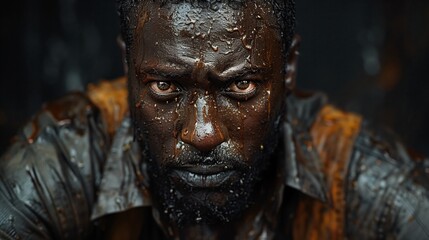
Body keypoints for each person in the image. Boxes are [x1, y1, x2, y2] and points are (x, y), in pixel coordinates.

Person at [0, 0, 428, 239]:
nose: (202, 133)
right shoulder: (62, 162)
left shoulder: (372, 186)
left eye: (240, 87)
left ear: (289, 69)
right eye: (166, 88)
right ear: (128, 66)